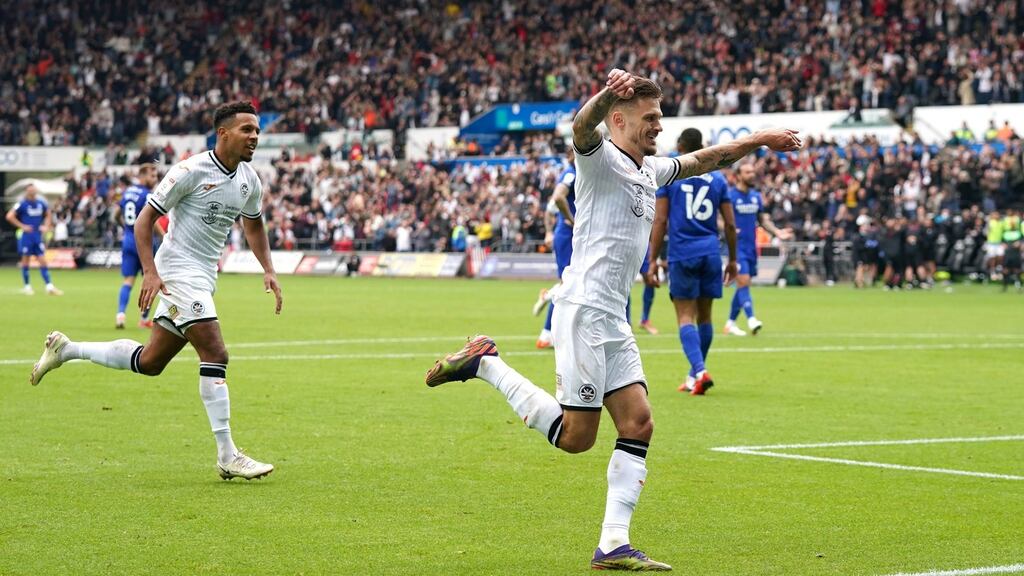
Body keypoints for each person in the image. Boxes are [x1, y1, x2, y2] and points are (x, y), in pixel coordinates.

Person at [423, 70, 800, 571]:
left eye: (661, 118)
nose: (658, 127)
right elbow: (580, 126)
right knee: (577, 438)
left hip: (614, 319)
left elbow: (707, 159)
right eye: (649, 119)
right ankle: (486, 365)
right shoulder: (598, 159)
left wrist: (759, 140)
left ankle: (612, 545)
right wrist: (606, 93)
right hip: (582, 311)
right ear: (619, 119)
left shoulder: (650, 171)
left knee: (639, 423)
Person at [30, 101, 283, 481]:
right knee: (215, 352)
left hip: (202, 276)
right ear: (223, 133)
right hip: (178, 270)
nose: (255, 137)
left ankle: (67, 349)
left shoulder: (250, 180)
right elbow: (145, 219)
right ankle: (228, 454)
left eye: (257, 130)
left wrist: (269, 269)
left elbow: (254, 225)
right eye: (247, 129)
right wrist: (150, 271)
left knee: (150, 363)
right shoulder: (188, 171)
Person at [646, 128, 736, 395]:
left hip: (682, 253)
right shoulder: (718, 180)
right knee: (705, 317)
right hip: (710, 252)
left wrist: (652, 259)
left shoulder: (670, 176)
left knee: (685, 317)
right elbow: (730, 225)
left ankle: (699, 370)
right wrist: (731, 259)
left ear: (682, 146)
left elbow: (660, 220)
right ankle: (694, 374)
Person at [723, 163, 792, 336]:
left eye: (753, 171)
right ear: (738, 175)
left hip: (751, 248)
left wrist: (777, 232)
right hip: (736, 248)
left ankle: (730, 323)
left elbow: (762, 219)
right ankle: (751, 319)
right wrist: (727, 228)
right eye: (747, 172)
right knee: (743, 281)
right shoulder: (730, 196)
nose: (752, 174)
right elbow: (718, 218)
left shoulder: (755, 196)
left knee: (743, 285)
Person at [533, 149, 576, 349]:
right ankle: (547, 333)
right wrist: (570, 221)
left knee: (574, 283)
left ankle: (550, 331)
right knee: (569, 283)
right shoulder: (571, 173)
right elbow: (556, 201)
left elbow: (550, 209)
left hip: (576, 236)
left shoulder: (585, 174)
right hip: (568, 236)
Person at [115, 163, 162, 329]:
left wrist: (127, 229)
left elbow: (116, 215)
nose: (155, 180)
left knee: (128, 280)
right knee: (151, 279)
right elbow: (149, 220)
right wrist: (164, 236)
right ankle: (144, 319)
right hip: (144, 242)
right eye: (152, 176)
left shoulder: (127, 192)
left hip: (128, 239)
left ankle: (120, 315)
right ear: (142, 175)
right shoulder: (147, 194)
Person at [6, 183, 63, 296]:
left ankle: (49, 286)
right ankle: (27, 287)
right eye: (30, 190)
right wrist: (22, 226)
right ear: (27, 191)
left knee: (43, 260)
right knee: (25, 260)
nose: (32, 192)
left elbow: (48, 214)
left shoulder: (41, 203)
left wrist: (46, 226)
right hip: (27, 236)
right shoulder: (22, 204)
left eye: (33, 189)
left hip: (37, 236)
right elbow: (9, 216)